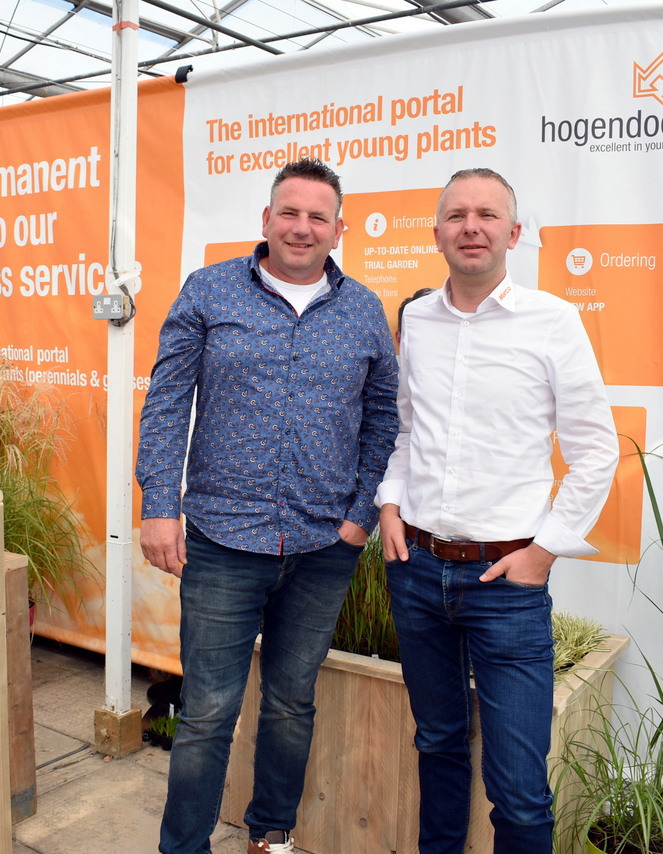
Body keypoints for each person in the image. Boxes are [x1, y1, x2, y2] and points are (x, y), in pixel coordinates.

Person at [137, 158, 399, 854]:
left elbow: (383, 418)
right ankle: (183, 847)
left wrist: (358, 518)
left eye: (318, 216)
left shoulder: (364, 311)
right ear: (266, 219)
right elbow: (167, 403)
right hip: (223, 539)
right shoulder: (210, 290)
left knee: (290, 702)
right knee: (206, 712)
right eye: (290, 212)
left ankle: (271, 835)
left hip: (323, 547)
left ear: (338, 229)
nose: (302, 227)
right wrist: (159, 505)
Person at [375, 168, 619, 853]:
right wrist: (390, 504)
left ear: (513, 234)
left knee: (518, 792)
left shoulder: (553, 321)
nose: (471, 227)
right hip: (417, 570)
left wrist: (545, 550)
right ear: (437, 233)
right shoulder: (417, 320)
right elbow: (405, 430)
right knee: (437, 744)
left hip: (505, 585)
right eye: (457, 215)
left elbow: (596, 450)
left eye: (487, 215)